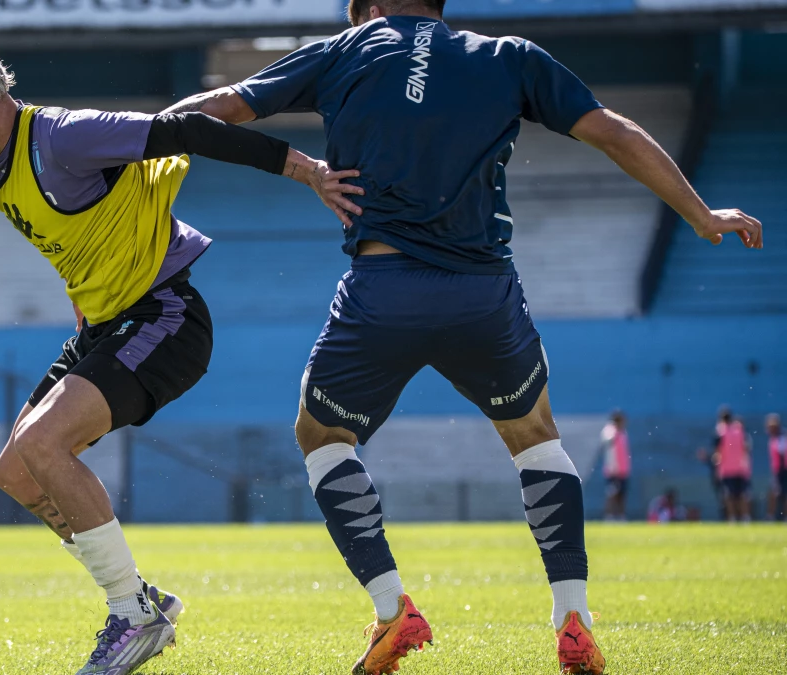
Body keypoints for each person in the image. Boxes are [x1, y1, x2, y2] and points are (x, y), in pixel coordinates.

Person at [163, 0, 763, 672]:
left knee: (321, 435)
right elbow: (615, 132)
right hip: (484, 295)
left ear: (371, 9)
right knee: (536, 435)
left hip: (382, 291)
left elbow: (211, 110)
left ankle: (393, 610)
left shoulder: (345, 49)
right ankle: (573, 616)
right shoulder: (509, 56)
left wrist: (131, 140)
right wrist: (703, 215)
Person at [0, 37, 352, 675]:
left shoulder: (61, 138)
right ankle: (141, 598)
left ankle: (132, 617)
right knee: (17, 474)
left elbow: (188, 128)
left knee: (46, 444)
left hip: (165, 316)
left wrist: (307, 171)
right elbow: (76, 235)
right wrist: (82, 295)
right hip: (105, 325)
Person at [714, 409, 752, 523]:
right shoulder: (739, 430)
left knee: (729, 495)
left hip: (727, 469)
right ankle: (745, 517)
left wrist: (717, 469)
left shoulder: (721, 432)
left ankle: (733, 517)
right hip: (741, 468)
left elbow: (718, 453)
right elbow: (746, 449)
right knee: (743, 494)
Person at [600, 410, 631, 522]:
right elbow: (607, 443)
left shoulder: (623, 432)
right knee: (611, 494)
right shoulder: (610, 431)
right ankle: (609, 516)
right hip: (613, 470)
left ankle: (621, 516)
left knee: (622, 494)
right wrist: (614, 431)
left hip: (623, 470)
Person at [766, 413, 784, 522]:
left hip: (782, 471)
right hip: (778, 470)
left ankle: (773, 515)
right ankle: (771, 515)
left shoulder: (782, 436)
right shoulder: (774, 437)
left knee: (778, 493)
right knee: (774, 493)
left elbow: (782, 454)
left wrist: (781, 472)